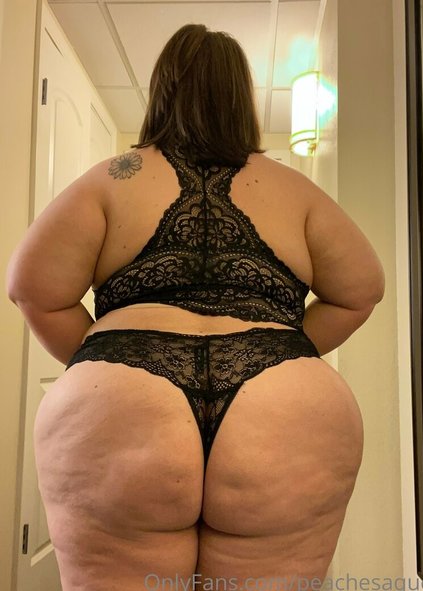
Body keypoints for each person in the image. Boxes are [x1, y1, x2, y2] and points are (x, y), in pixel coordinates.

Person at [7, 23, 384, 591]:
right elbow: (362, 290)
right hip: (285, 401)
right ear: (242, 97)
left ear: (162, 90)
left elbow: (30, 288)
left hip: (121, 393)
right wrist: (286, 350)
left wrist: (100, 358)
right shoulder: (293, 187)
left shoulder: (114, 177)